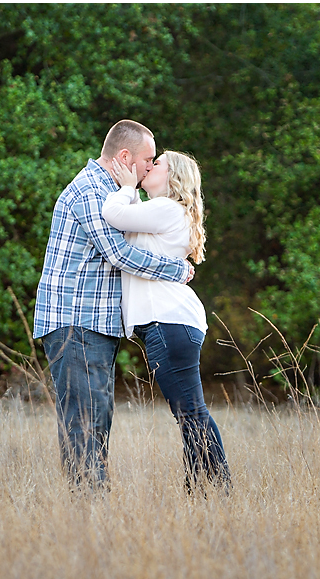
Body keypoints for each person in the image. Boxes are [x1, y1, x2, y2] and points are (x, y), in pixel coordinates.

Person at [33, 120, 194, 488]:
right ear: (125, 156)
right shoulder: (90, 190)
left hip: (96, 326)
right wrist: (176, 270)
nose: (151, 167)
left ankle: (92, 506)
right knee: (85, 417)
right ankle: (89, 506)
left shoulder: (116, 192)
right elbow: (119, 253)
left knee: (97, 415)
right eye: (148, 159)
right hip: (76, 322)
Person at [102, 150, 231, 493]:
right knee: (189, 412)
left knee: (190, 412)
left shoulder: (165, 208)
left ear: (173, 176)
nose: (148, 166)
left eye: (156, 163)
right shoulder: (161, 211)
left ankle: (214, 489)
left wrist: (128, 187)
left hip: (168, 323)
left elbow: (112, 212)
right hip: (171, 324)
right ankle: (204, 489)